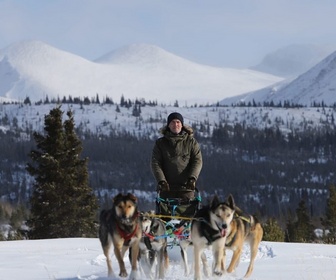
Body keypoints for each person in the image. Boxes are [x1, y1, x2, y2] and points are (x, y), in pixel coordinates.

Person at [151, 112, 202, 200]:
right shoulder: (160, 143)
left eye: (178, 122)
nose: (175, 124)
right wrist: (162, 181)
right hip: (166, 189)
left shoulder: (191, 142)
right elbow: (155, 163)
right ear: (168, 125)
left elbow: (197, 161)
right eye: (173, 122)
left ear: (182, 125)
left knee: (187, 212)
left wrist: (192, 178)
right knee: (165, 213)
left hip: (187, 189)